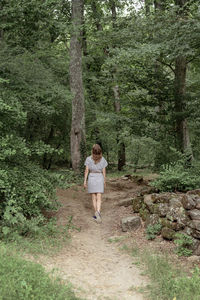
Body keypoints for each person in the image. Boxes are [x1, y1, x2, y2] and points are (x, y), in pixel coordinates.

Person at [84, 144, 108, 223]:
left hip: (91, 177)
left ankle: (96, 214)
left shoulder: (88, 159)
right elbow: (104, 171)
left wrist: (85, 181)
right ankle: (98, 212)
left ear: (92, 151)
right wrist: (104, 180)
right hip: (99, 177)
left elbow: (87, 171)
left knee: (94, 197)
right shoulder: (103, 159)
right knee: (99, 196)